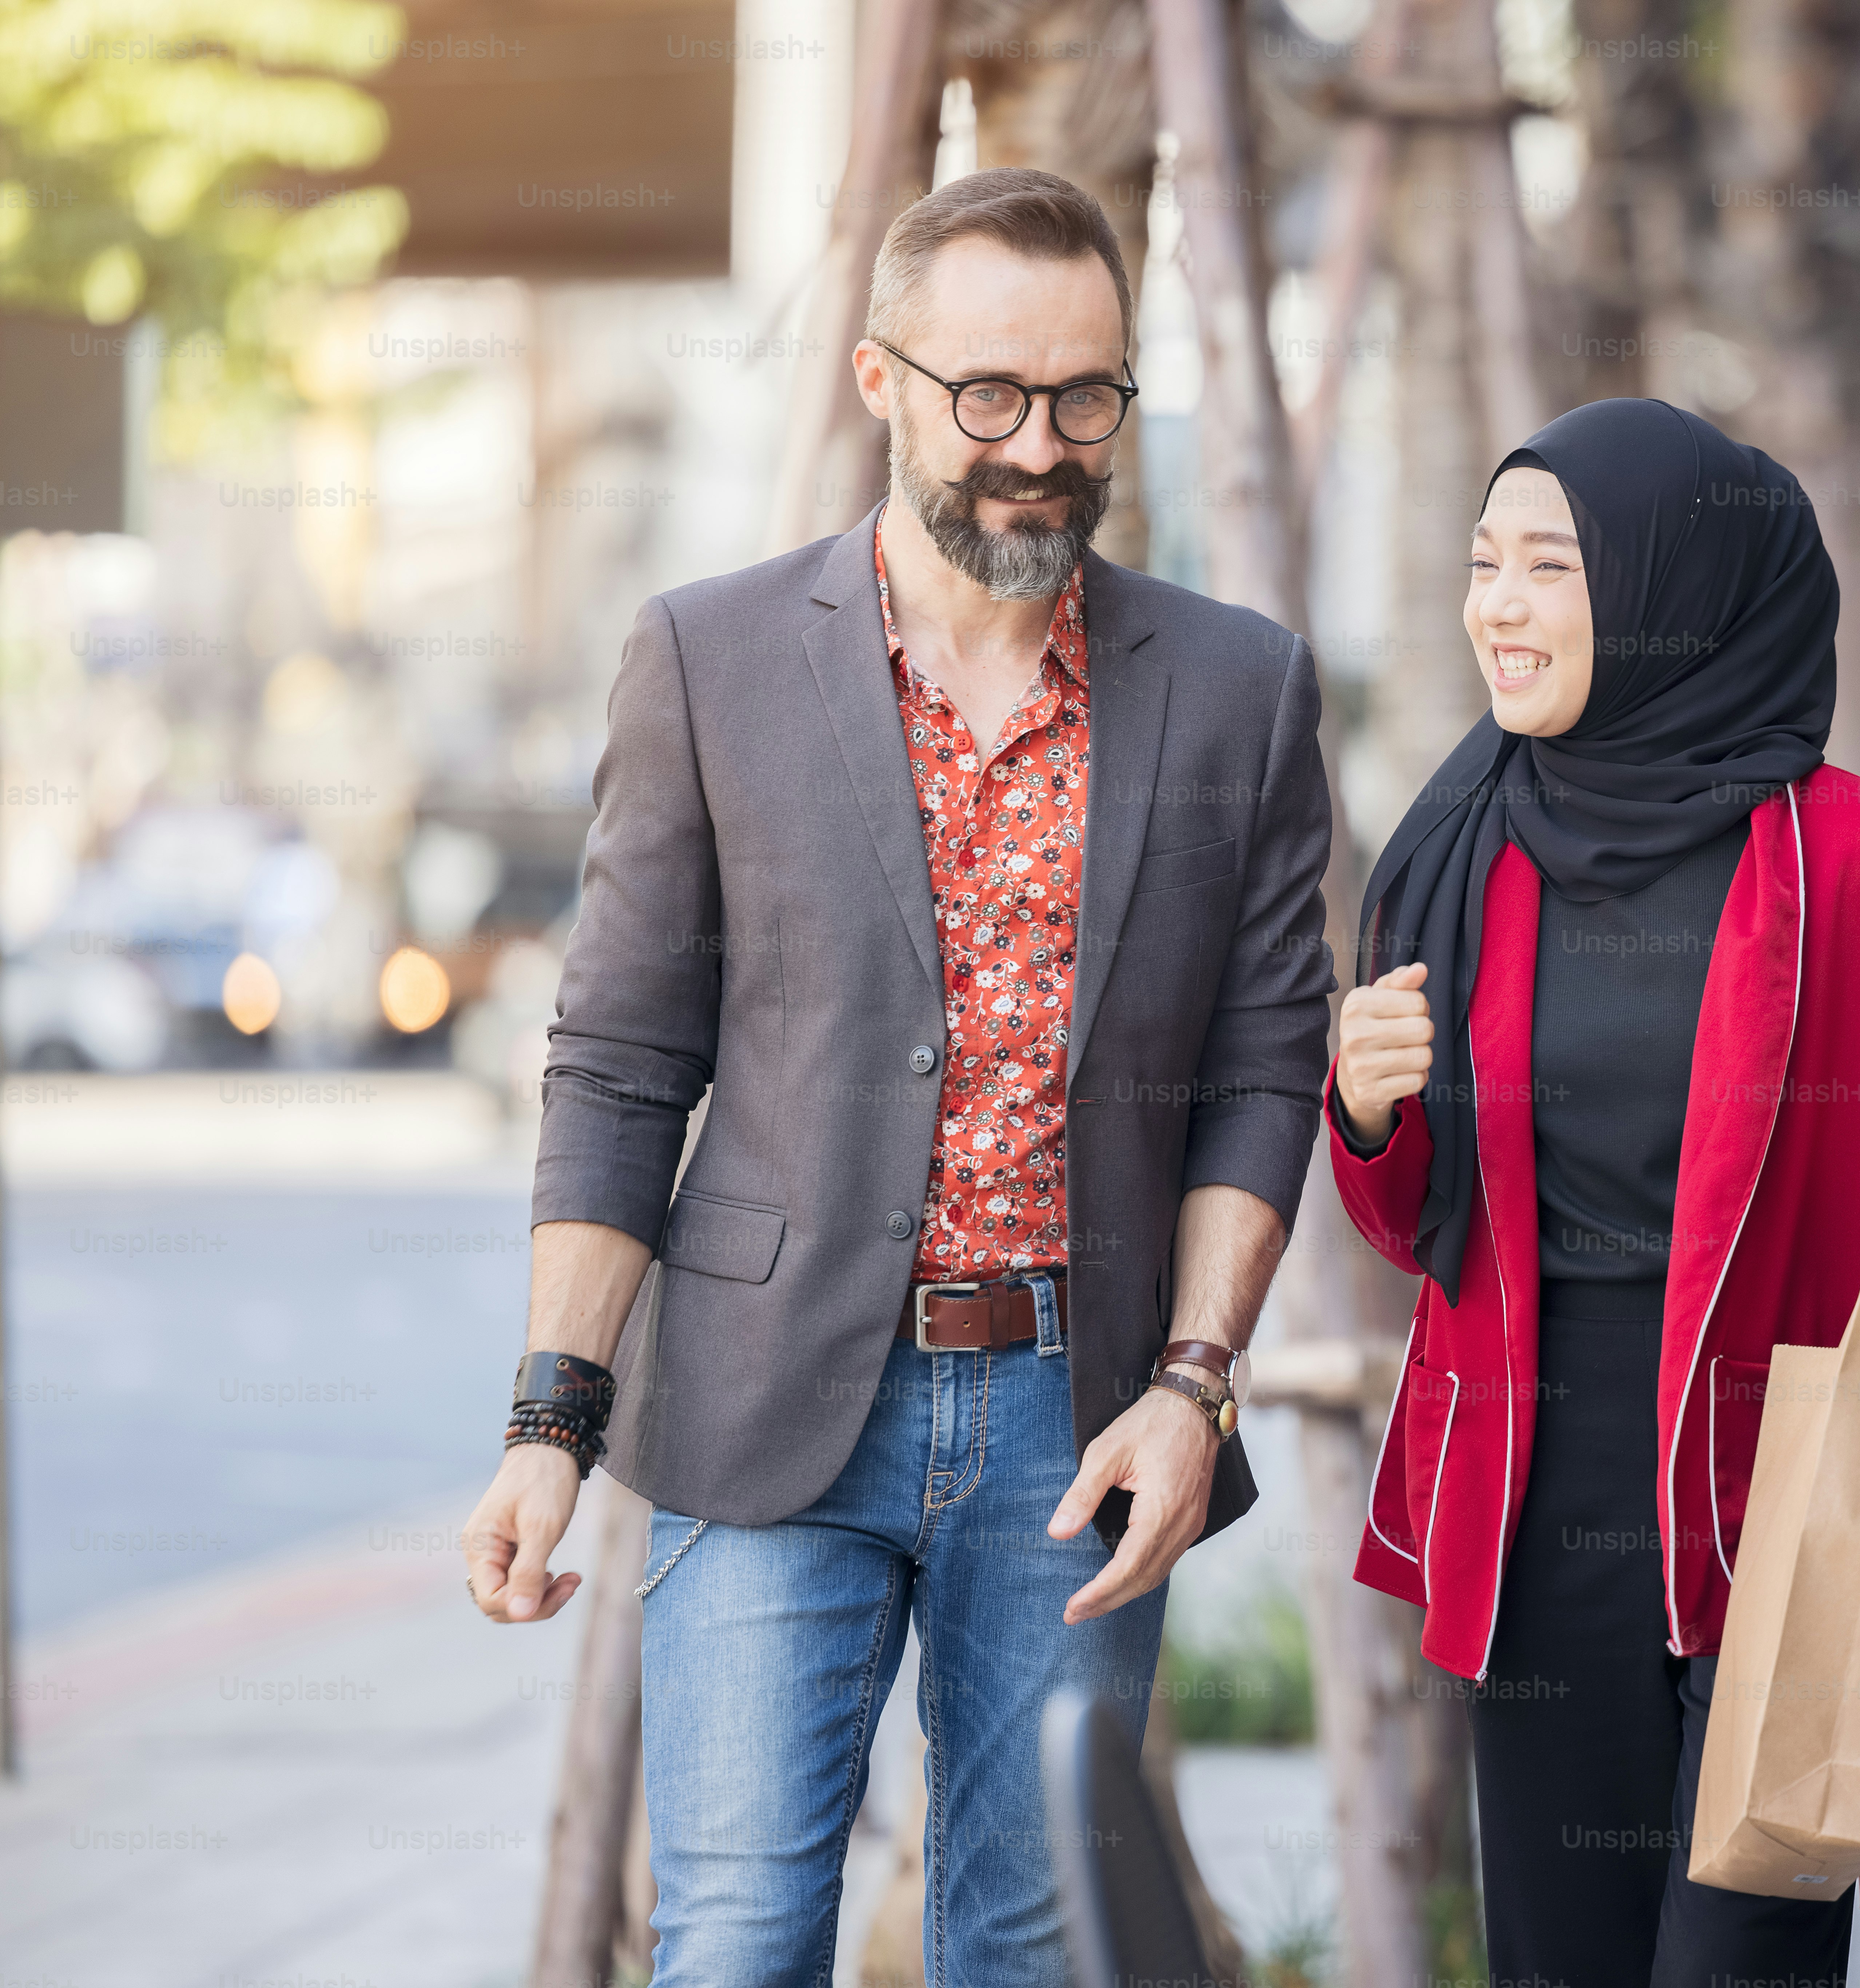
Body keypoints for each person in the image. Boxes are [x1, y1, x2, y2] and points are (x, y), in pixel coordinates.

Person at [457, 168, 1334, 1985]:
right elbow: (622, 1063)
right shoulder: (705, 659)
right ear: (879, 380)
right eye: (988, 396)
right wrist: (551, 1422)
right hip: (771, 1404)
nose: (1038, 445)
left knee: (1027, 1950)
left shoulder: (1240, 687)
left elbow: (1262, 1063)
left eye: (1085, 396)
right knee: (733, 1945)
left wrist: (1194, 1386)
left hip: (1077, 1415)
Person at [1328, 397, 1860, 1986]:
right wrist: (1364, 1114)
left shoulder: (1852, 857)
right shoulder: (1451, 847)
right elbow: (1411, 1224)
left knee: (1737, 1962)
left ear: (1668, 591)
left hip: (1789, 1481)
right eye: (1482, 562)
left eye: (1547, 567)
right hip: (1535, 1484)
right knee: (1563, 1957)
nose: (1496, 603)